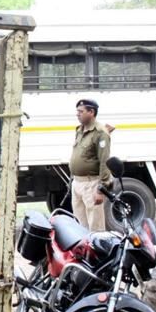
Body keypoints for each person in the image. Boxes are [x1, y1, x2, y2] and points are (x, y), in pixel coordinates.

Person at [69, 99, 111, 231]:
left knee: (96, 227)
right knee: (80, 227)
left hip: (91, 184)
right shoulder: (79, 130)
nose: (77, 114)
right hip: (78, 183)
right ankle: (83, 252)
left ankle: (97, 252)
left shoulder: (100, 133)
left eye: (81, 111)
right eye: (77, 111)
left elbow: (105, 162)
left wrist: (101, 189)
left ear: (91, 112)